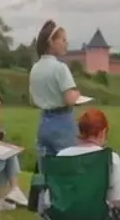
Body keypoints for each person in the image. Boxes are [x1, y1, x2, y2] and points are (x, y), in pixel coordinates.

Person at [29, 20, 82, 158]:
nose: (66, 43)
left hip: (43, 122)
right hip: (62, 122)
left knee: (47, 169)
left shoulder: (35, 68)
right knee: (68, 166)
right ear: (51, 42)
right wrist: (76, 94)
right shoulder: (60, 68)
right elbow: (69, 99)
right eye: (63, 40)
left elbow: (32, 98)